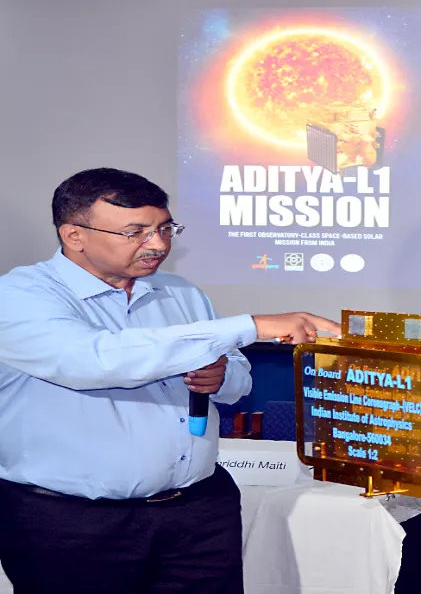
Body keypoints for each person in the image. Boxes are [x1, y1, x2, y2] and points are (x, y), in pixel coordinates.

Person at [0, 167, 339, 593]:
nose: (157, 244)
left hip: (198, 509)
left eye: (164, 228)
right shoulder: (20, 296)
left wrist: (220, 375)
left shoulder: (180, 293)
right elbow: (93, 360)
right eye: (135, 232)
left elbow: (238, 381)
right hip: (72, 521)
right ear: (74, 235)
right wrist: (252, 325)